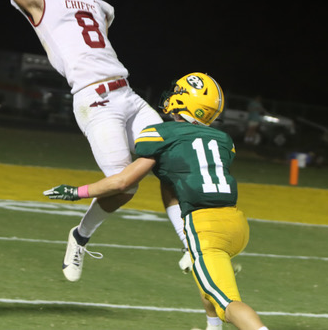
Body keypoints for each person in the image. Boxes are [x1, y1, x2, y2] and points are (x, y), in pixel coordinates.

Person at [0, 0, 191, 282]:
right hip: (95, 99)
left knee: (169, 160)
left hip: (127, 93)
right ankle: (80, 236)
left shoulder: (101, 6)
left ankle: (189, 244)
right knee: (125, 187)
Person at [45, 73, 269, 330]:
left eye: (178, 93)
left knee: (228, 304)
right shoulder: (224, 141)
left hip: (206, 229)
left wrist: (77, 192)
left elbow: (122, 182)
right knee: (207, 275)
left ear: (186, 101)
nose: (172, 96)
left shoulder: (162, 134)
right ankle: (212, 327)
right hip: (237, 226)